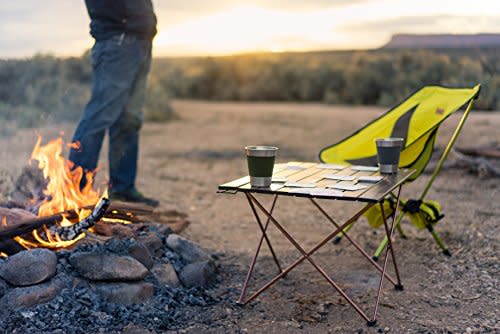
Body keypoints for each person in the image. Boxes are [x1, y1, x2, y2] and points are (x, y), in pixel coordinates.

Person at [69, 0, 159, 207]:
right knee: (99, 116)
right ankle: (75, 189)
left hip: (141, 40)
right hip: (117, 40)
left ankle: (122, 188)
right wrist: (124, 20)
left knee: (130, 119)